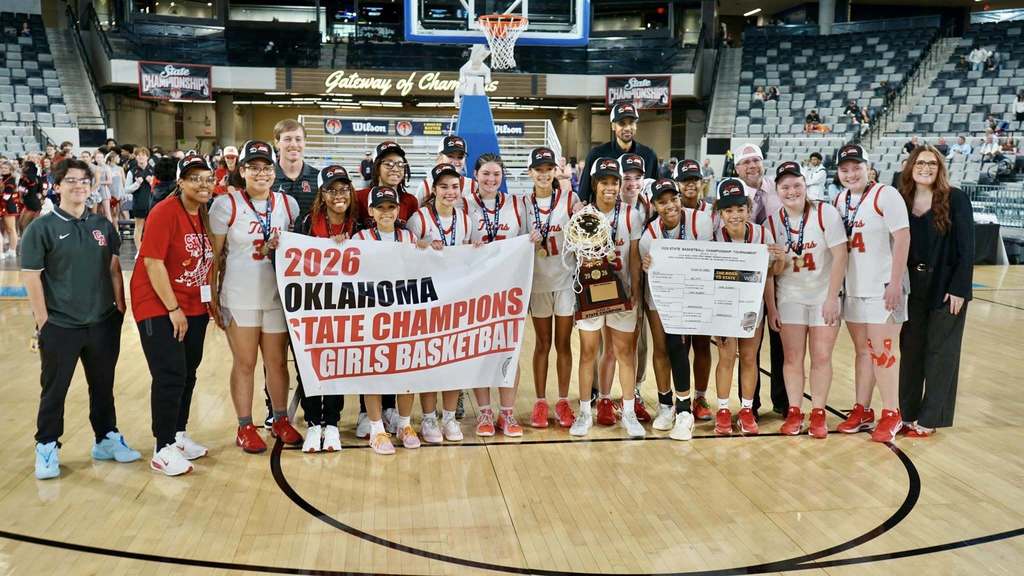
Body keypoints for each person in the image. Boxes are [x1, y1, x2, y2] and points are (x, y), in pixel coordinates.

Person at [21, 158, 141, 479]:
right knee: (55, 389)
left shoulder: (101, 225)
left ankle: (105, 437)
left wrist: (120, 307)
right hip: (60, 324)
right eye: (71, 180)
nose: (78, 186)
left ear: (91, 187)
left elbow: (114, 268)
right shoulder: (41, 228)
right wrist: (43, 321)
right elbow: (32, 276)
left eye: (84, 181)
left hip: (103, 321)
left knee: (103, 385)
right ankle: (47, 444)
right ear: (57, 186)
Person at [209, 140, 303, 454]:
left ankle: (279, 419)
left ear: (273, 171)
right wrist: (211, 298)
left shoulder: (288, 205)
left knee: (276, 363)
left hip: (277, 297)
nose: (261, 173)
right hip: (239, 296)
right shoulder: (226, 205)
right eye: (254, 167)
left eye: (266, 167)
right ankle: (245, 425)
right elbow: (215, 256)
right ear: (243, 171)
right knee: (246, 363)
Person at [131, 153, 217, 476]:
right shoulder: (165, 211)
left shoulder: (202, 214)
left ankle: (178, 435)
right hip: (157, 302)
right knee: (170, 373)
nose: (203, 184)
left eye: (207, 178)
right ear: (180, 182)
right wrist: (173, 309)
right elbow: (153, 263)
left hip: (193, 303)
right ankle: (162, 447)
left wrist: (208, 304)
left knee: (188, 371)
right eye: (195, 178)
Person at [832, 144, 910, 443]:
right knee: (863, 352)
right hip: (854, 289)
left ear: (869, 168)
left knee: (884, 352)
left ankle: (892, 413)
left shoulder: (886, 194)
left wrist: (894, 283)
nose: (851, 174)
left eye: (856, 167)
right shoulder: (840, 200)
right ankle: (862, 409)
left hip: (882, 288)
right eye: (845, 169)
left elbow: (903, 238)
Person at [765, 162, 848, 438]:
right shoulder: (772, 222)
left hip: (823, 295)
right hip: (790, 297)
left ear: (805, 185)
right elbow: (770, 273)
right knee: (792, 357)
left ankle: (819, 412)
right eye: (785, 187)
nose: (791, 191)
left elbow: (840, 256)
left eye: (796, 185)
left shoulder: (826, 213)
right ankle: (795, 411)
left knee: (822, 356)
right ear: (777, 191)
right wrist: (772, 305)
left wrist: (833, 297)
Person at [898, 145, 974, 437]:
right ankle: (907, 414)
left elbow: (966, 249)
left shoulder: (956, 199)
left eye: (931, 163)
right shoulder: (902, 200)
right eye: (920, 163)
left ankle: (930, 418)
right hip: (910, 288)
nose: (926, 168)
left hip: (946, 287)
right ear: (911, 167)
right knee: (911, 350)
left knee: (942, 353)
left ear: (940, 168)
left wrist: (960, 289)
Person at [569, 158, 644, 438]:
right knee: (589, 352)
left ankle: (628, 412)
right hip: (591, 293)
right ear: (595, 184)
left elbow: (634, 256)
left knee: (625, 352)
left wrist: (635, 288)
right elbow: (577, 256)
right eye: (605, 182)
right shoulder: (583, 214)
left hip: (622, 294)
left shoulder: (631, 215)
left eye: (615, 182)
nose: (610, 187)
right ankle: (585, 412)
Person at [639, 178, 715, 440]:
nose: (669, 205)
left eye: (673, 199)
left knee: (681, 346)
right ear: (655, 205)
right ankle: (665, 405)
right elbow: (644, 270)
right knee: (662, 347)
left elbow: (707, 257)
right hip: (659, 295)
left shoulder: (701, 221)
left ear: (680, 198)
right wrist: (646, 264)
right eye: (662, 201)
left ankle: (686, 410)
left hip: (693, 291)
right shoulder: (649, 235)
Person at [711, 178, 785, 436]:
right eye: (729, 210)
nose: (735, 215)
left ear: (748, 209)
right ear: (720, 213)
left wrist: (779, 259)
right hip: (725, 308)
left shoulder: (762, 234)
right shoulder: (713, 238)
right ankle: (722, 410)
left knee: (750, 358)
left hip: (753, 308)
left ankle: (746, 409)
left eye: (740, 209)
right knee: (726, 357)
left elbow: (771, 274)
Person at [294, 165, 360, 453]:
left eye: (343, 189)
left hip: (345, 310)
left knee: (337, 365)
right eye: (332, 189)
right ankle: (312, 423)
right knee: (307, 365)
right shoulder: (306, 223)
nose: (338, 195)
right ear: (321, 193)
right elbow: (288, 261)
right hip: (310, 308)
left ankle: (331, 423)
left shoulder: (358, 226)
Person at [407, 163, 474, 443]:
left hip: (456, 300)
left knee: (453, 361)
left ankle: (448, 417)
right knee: (429, 362)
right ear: (433, 189)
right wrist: (419, 247)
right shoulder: (419, 219)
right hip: (427, 301)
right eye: (443, 186)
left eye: (454, 186)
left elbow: (474, 258)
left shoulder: (466, 219)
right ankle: (428, 417)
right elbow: (404, 256)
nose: (449, 192)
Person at [350, 186, 420, 454]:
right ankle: (377, 429)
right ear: (371, 211)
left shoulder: (409, 237)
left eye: (391, 207)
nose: (387, 212)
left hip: (404, 315)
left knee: (406, 372)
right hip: (373, 316)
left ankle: (404, 423)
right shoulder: (361, 238)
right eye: (381, 207)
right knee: (374, 373)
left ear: (399, 209)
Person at [467, 153, 529, 437]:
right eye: (485, 174)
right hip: (477, 294)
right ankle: (484, 413)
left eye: (496, 174)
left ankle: (507, 412)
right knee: (480, 353)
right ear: (475, 176)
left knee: (509, 353)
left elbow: (532, 237)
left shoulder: (517, 205)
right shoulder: (463, 205)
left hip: (509, 292)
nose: (491, 180)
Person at [525, 147, 579, 429]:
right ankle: (539, 401)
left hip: (565, 281)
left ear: (555, 171)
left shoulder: (570, 199)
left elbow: (584, 230)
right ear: (530, 172)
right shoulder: (522, 203)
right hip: (538, 283)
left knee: (563, 343)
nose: (544, 174)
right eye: (539, 169)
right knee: (542, 344)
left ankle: (562, 401)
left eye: (548, 169)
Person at [732, 143, 787, 416]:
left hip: (781, 275)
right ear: (736, 168)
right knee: (748, 346)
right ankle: (748, 404)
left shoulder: (780, 189)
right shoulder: (732, 196)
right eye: (746, 162)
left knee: (782, 342)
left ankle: (784, 401)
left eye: (756, 160)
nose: (752, 165)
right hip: (746, 280)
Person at [671, 160, 715, 419]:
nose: (690, 184)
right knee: (678, 347)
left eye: (694, 179)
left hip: (704, 289)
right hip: (676, 291)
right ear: (677, 184)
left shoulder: (713, 212)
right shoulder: (668, 211)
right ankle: (681, 398)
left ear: (701, 182)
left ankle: (700, 398)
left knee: (702, 345)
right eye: (685, 180)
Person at [579, 102, 658, 203]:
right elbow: (584, 194)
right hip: (605, 215)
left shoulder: (649, 156)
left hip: (639, 216)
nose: (627, 128)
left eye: (631, 123)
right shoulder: (597, 154)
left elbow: (654, 193)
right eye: (622, 123)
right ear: (613, 126)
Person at [355, 141, 419, 230]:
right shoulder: (359, 197)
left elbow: (413, 236)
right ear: (377, 168)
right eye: (388, 164)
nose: (396, 169)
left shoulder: (410, 201)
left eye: (400, 164)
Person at [272, 119, 319, 222]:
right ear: (276, 143)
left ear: (304, 142)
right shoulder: (267, 177)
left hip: (310, 238)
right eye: (287, 139)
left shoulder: (318, 178)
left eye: (298, 139)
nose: (293, 144)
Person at [416, 136, 473, 205]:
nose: (455, 161)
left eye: (460, 157)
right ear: (440, 157)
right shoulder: (426, 186)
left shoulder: (473, 186)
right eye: (450, 156)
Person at [124, 146, 155, 242]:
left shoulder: (154, 171)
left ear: (147, 157)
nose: (141, 157)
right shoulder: (132, 172)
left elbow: (160, 188)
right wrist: (136, 184)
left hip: (152, 204)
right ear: (136, 157)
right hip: (139, 203)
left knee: (152, 228)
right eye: (138, 155)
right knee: (139, 228)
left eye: (143, 155)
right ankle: (139, 251)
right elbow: (126, 189)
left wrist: (151, 183)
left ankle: (151, 250)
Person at [1, 160, 20, 259]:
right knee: (6, 229)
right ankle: (8, 250)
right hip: (3, 206)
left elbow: (7, 196)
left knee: (11, 229)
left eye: (5, 168)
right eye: (2, 168)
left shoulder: (10, 179)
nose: (3, 170)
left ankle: (12, 250)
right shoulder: (3, 179)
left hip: (8, 206)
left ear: (10, 170)